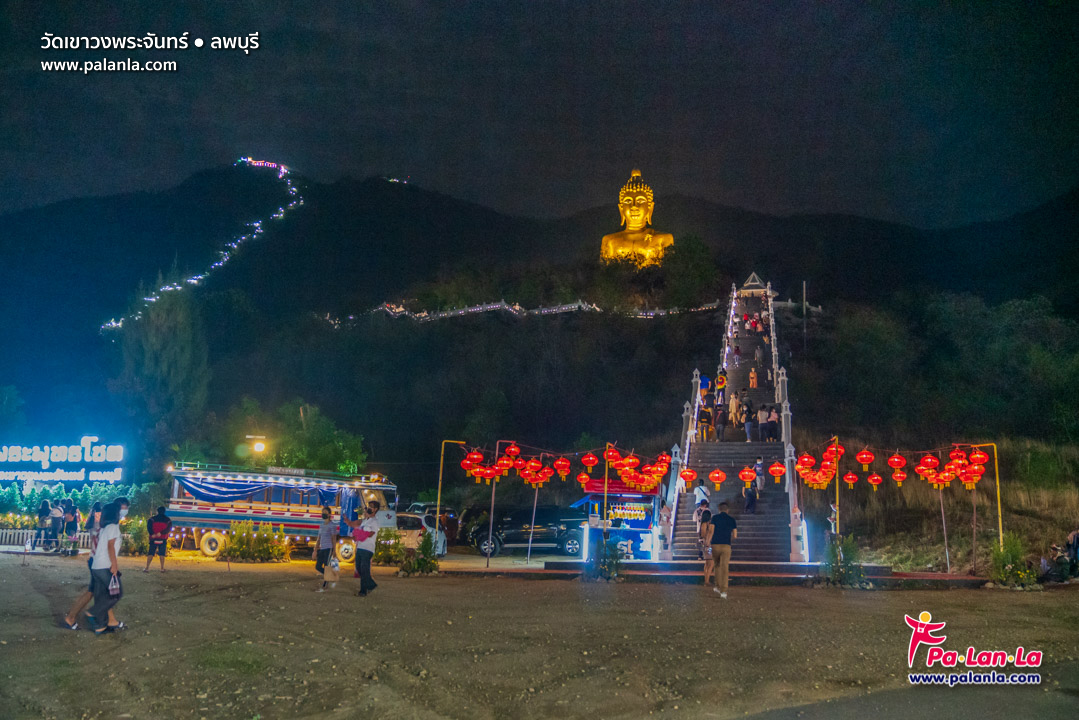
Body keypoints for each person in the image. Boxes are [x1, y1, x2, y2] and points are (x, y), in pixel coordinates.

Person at [63, 502, 103, 630]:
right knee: (95, 592)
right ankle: (75, 617)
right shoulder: (100, 525)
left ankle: (102, 620)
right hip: (99, 561)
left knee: (96, 591)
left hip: (94, 558)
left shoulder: (93, 524)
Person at [88, 502, 124, 634]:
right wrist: (114, 565)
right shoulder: (113, 527)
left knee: (101, 595)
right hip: (104, 566)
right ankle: (92, 612)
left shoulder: (104, 528)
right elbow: (110, 546)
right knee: (117, 594)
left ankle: (100, 626)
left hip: (96, 566)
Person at [344, 500, 380, 596]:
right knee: (359, 569)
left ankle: (363, 591)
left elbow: (371, 534)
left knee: (364, 569)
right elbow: (355, 525)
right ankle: (371, 585)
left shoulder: (374, 522)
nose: (369, 508)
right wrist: (349, 523)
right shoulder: (365, 521)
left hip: (368, 548)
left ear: (375, 509)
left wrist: (360, 534)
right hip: (360, 547)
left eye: (371, 506)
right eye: (369, 506)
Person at [708, 502, 738, 599]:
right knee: (725, 567)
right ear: (727, 510)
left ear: (719, 509)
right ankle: (724, 591)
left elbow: (711, 531)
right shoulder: (732, 520)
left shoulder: (715, 518)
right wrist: (730, 540)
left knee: (716, 565)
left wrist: (708, 542)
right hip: (726, 545)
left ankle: (717, 586)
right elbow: (735, 535)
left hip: (715, 544)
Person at [314, 506, 338, 591]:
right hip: (322, 548)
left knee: (327, 566)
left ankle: (325, 584)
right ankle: (330, 576)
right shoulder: (322, 525)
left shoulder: (332, 525)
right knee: (317, 566)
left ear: (329, 514)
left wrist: (335, 550)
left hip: (328, 548)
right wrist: (315, 550)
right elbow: (319, 538)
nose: (323, 514)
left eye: (325, 512)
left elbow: (333, 538)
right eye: (322, 512)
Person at [144, 507, 172, 572]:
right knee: (162, 553)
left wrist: (152, 534)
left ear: (157, 511)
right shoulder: (168, 520)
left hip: (153, 538)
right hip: (163, 538)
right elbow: (168, 529)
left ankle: (147, 568)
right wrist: (161, 533)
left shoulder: (152, 519)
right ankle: (162, 568)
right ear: (164, 512)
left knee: (151, 552)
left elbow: (149, 527)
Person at [699, 509, 714, 585]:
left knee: (707, 563)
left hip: (705, 545)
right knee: (711, 563)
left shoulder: (702, 524)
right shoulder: (708, 524)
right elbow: (706, 534)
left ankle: (706, 579)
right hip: (709, 545)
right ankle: (707, 581)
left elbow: (702, 535)